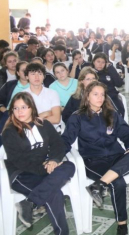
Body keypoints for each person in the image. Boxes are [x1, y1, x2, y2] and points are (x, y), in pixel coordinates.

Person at [62, 82, 129, 235]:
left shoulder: (111, 114)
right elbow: (66, 140)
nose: (100, 98)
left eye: (102, 94)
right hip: (93, 160)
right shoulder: (78, 117)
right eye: (95, 94)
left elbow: (127, 134)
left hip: (116, 156)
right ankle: (122, 225)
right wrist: (56, 157)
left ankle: (99, 185)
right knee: (118, 182)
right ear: (87, 96)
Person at [2, 92, 75, 234]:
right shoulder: (9, 132)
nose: (19, 111)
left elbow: (58, 145)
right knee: (55, 194)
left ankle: (30, 202)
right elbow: (18, 160)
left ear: (32, 108)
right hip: (21, 174)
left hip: (42, 169)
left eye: (24, 107)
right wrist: (46, 169)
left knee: (70, 166)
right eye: (15, 108)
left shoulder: (43, 124)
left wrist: (53, 160)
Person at [23, 63, 61, 128]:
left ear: (44, 76)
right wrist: (46, 114)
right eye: (33, 74)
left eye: (40, 74)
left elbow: (56, 119)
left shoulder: (52, 93)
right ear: (27, 77)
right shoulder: (23, 95)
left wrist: (34, 119)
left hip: (52, 129)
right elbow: (24, 120)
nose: (37, 77)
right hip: (31, 129)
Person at [91, 53, 125, 117]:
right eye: (98, 61)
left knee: (118, 111)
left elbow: (119, 83)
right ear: (93, 62)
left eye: (103, 62)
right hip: (98, 98)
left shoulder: (109, 71)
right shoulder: (91, 73)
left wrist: (111, 68)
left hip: (112, 96)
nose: (100, 64)